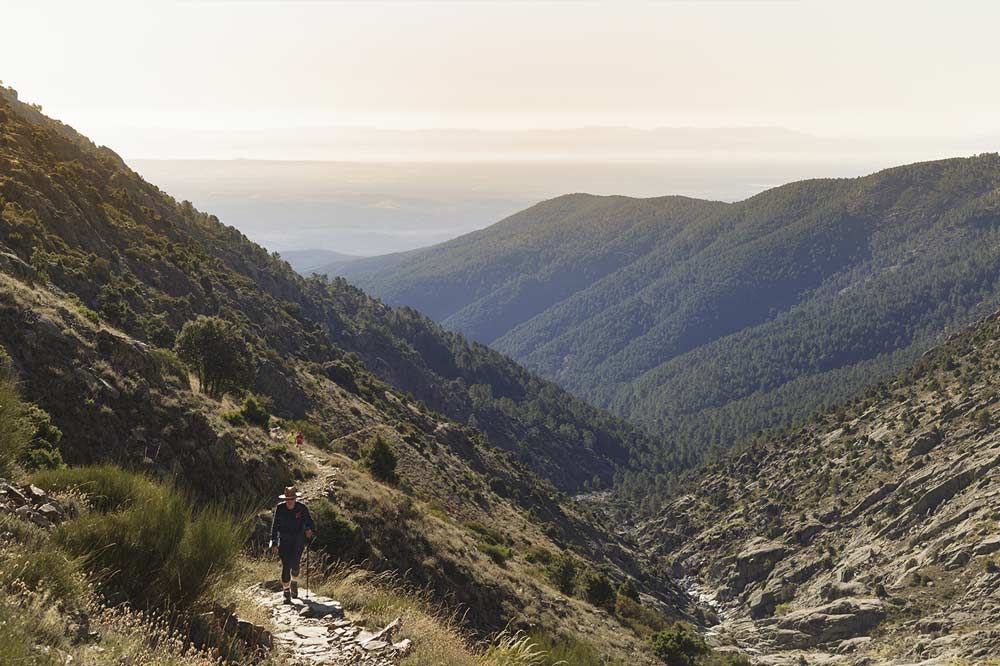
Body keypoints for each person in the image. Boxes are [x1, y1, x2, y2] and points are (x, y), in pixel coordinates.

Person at [269, 485, 315, 603]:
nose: (289, 502)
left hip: (298, 540)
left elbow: (309, 522)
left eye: (291, 499)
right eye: (287, 499)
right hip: (284, 540)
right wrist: (274, 542)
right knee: (286, 565)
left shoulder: (302, 508)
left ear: (295, 499)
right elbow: (275, 526)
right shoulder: (280, 509)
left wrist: (309, 529)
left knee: (295, 566)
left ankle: (294, 581)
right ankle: (286, 592)